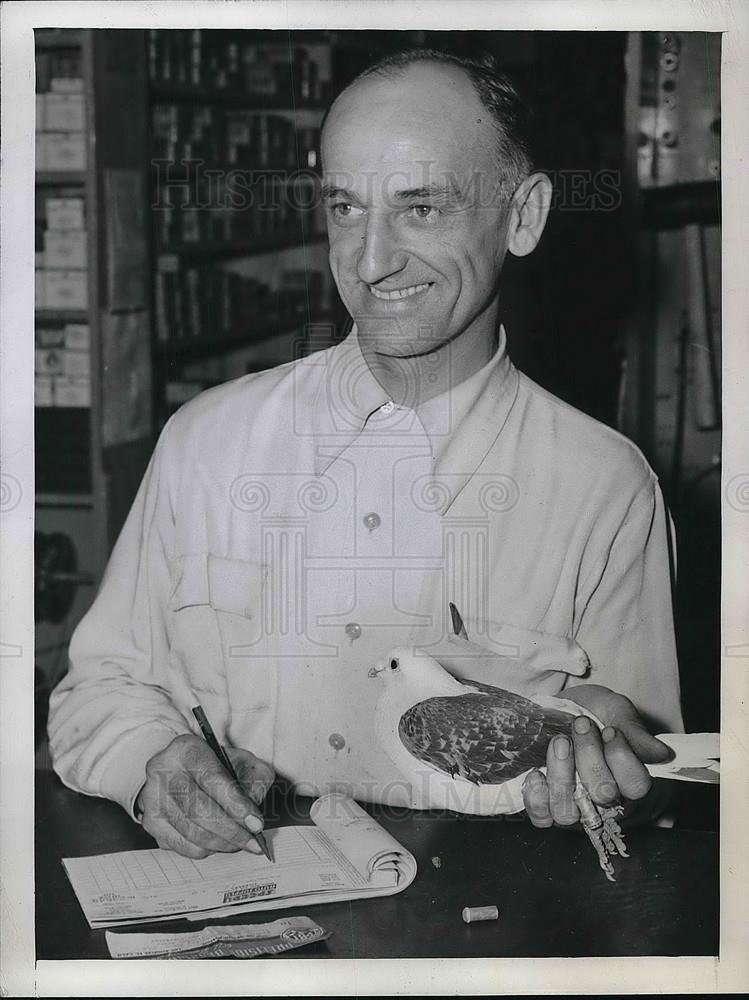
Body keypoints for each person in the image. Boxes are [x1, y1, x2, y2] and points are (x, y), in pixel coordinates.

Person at [48, 49, 683, 860]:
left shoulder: (604, 486)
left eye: (421, 209)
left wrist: (609, 784)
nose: (371, 261)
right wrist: (152, 762)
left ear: (522, 216)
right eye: (346, 208)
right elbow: (100, 685)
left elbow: (655, 779)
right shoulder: (207, 441)